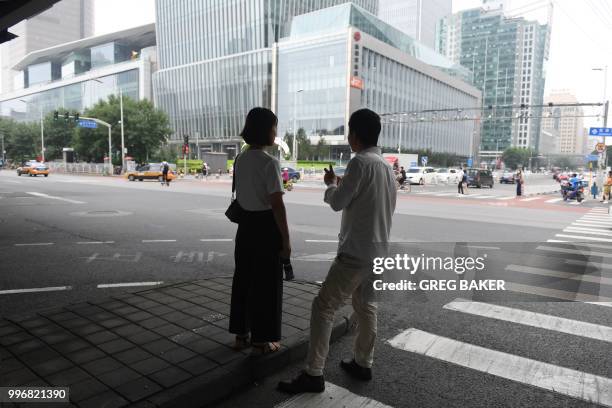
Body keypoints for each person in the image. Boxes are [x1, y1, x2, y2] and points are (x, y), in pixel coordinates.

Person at [278, 109, 397, 394]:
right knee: (367, 306)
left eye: (349, 132)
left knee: (323, 306)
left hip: (355, 253)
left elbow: (338, 203)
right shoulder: (386, 167)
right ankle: (363, 363)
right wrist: (342, 184)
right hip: (378, 252)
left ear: (355, 134)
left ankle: (314, 372)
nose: (348, 137)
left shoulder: (359, 163)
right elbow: (369, 199)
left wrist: (331, 186)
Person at [229, 107, 291, 355]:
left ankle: (241, 335)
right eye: (274, 127)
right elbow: (277, 204)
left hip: (245, 227)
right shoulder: (270, 163)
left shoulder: (240, 160)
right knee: (266, 285)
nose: (275, 132)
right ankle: (262, 340)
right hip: (266, 228)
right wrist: (286, 240)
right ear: (266, 130)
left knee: (242, 279)